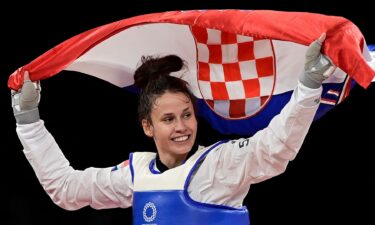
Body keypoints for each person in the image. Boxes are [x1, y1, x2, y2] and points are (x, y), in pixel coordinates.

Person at [11, 33, 335, 225]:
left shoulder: (218, 164)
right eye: (168, 120)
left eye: (186, 115)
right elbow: (66, 189)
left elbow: (275, 147)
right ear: (147, 127)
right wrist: (28, 118)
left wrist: (307, 86)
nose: (182, 127)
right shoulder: (135, 174)